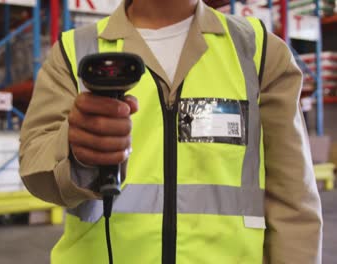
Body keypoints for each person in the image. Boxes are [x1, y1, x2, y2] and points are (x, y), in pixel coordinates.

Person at [19, 0, 323, 263]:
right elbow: (36, 166)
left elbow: (293, 204)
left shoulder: (258, 53)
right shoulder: (74, 53)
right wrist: (75, 153)